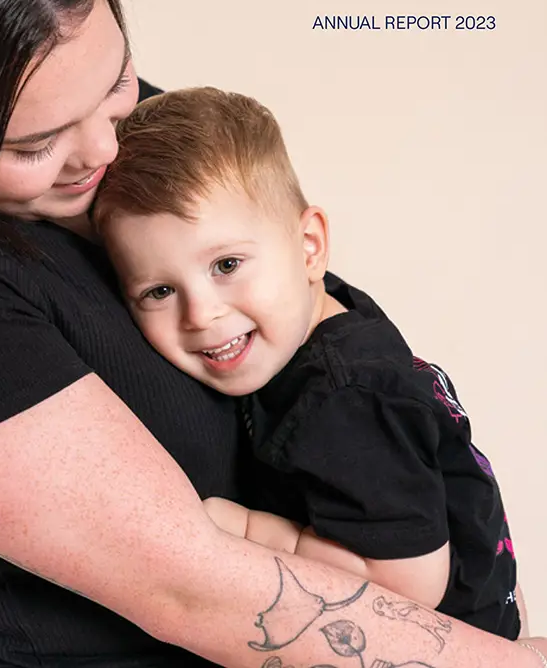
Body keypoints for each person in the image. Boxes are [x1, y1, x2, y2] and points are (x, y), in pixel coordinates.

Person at [0, 0, 543, 668]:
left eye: (116, 82)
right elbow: (194, 593)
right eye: (34, 143)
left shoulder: (130, 144)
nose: (102, 148)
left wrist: (486, 617)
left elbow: (359, 375)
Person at [93, 87, 531, 639]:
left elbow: (411, 585)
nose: (202, 313)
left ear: (308, 247)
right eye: (158, 290)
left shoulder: (343, 397)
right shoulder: (325, 312)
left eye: (227, 264)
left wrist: (252, 530)